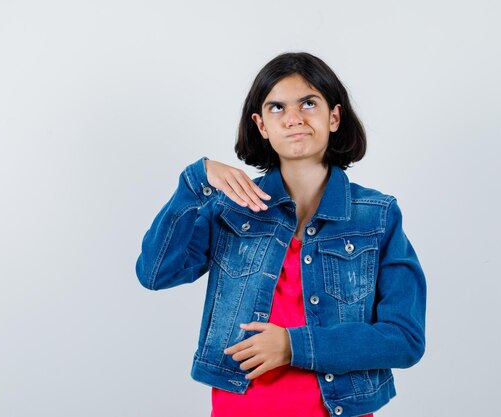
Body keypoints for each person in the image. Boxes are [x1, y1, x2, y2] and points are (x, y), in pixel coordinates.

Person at [136, 52, 426, 417]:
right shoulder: (230, 209)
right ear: (260, 125)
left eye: (308, 103)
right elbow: (155, 273)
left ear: (333, 117)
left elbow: (405, 339)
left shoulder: (378, 216)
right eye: (276, 108)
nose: (293, 119)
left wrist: (294, 346)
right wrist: (194, 184)